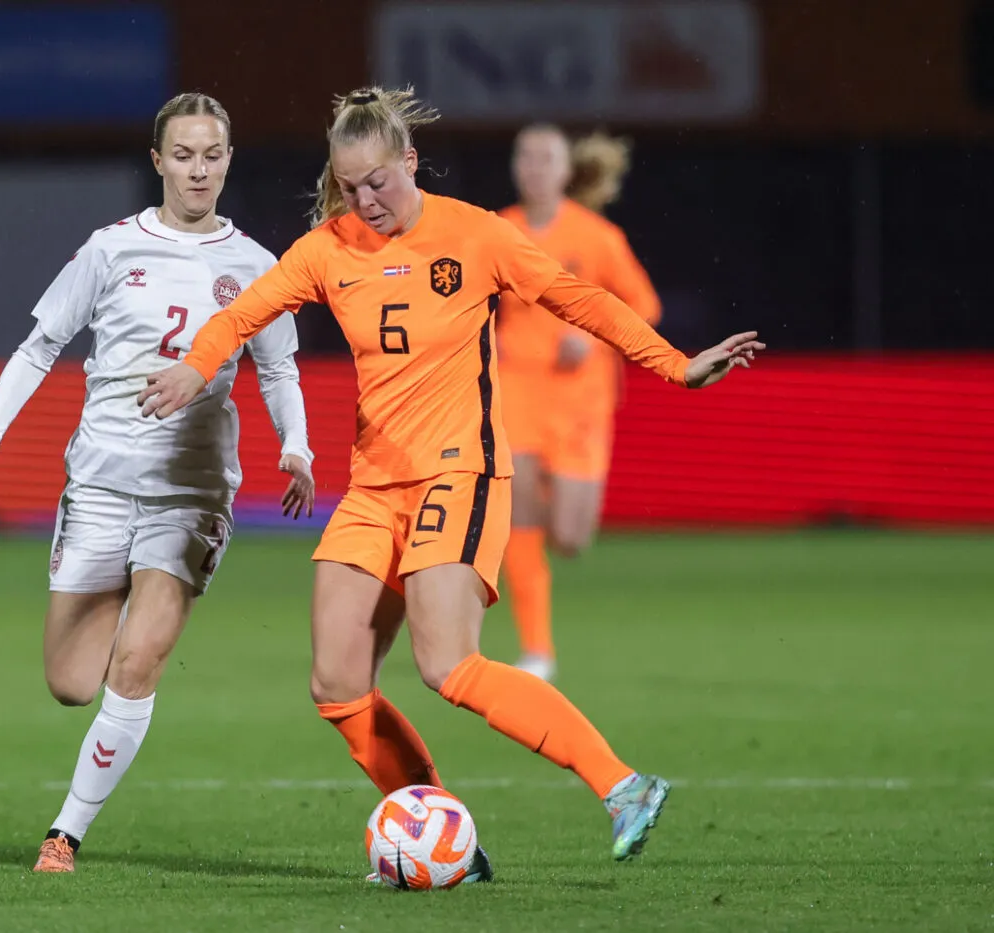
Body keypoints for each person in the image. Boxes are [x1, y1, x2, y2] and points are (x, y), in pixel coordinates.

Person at [140, 86, 762, 868]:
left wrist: (675, 364)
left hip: (458, 473)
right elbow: (239, 317)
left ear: (410, 160)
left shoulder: (475, 234)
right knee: (336, 682)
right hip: (374, 487)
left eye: (379, 182)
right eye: (349, 185)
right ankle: (448, 841)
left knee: (446, 664)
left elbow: (577, 299)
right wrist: (193, 371)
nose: (365, 200)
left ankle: (623, 784)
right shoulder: (328, 250)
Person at [0, 92, 316, 874]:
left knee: (140, 660)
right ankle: (119, 597)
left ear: (228, 159)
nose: (198, 170)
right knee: (70, 683)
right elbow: (39, 346)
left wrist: (297, 447)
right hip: (104, 482)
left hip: (192, 492)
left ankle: (65, 832)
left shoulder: (256, 266)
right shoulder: (111, 249)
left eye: (211, 155)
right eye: (182, 155)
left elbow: (278, 365)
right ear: (158, 161)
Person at [495, 125, 663, 681]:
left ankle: (551, 513)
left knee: (568, 537)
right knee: (516, 511)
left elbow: (644, 307)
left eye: (547, 159)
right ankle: (537, 649)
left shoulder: (597, 239)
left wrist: (591, 338)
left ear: (567, 172)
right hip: (516, 388)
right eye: (526, 157)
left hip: (582, 399)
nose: (535, 167)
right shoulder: (498, 232)